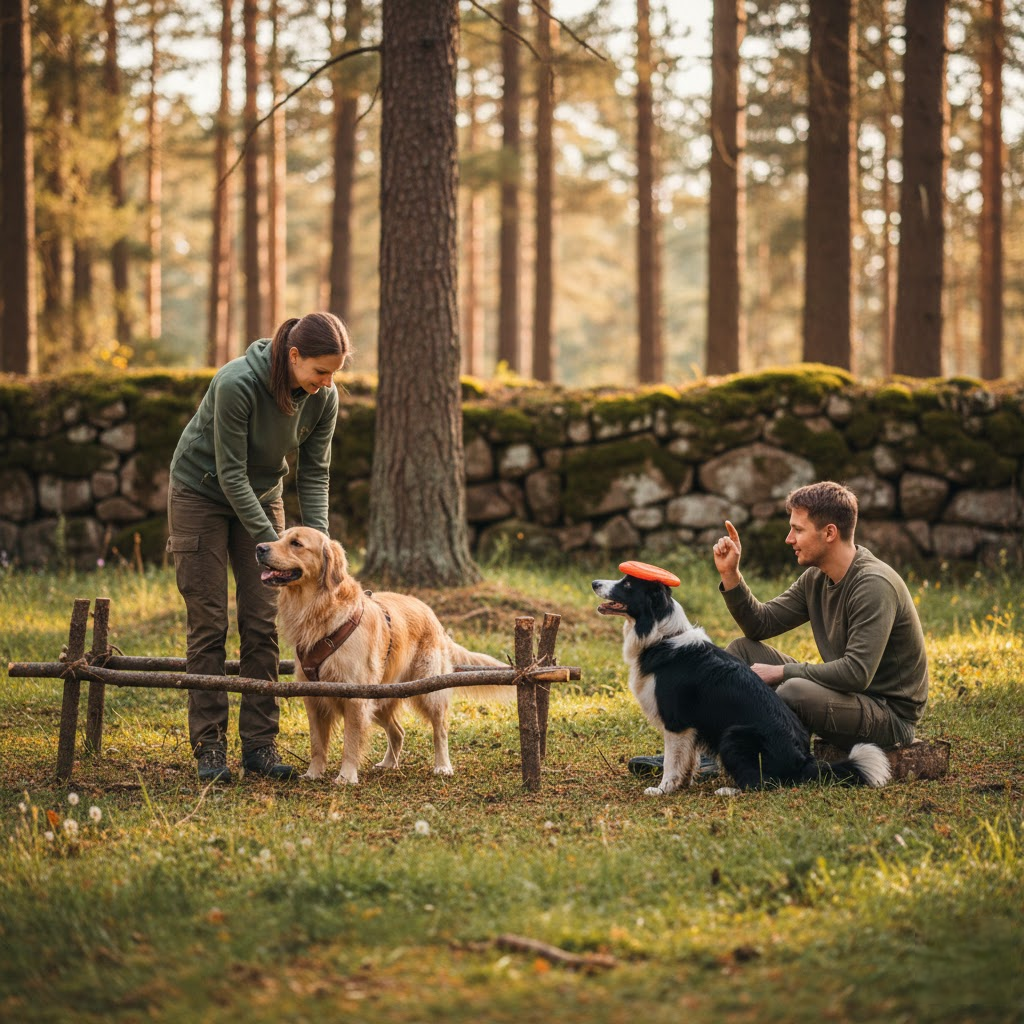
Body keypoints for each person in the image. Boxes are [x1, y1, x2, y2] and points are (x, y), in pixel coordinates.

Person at [166, 312, 351, 783]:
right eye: (320, 371)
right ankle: (210, 747)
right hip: (200, 494)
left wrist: (319, 548)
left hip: (263, 496)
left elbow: (315, 473)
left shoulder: (322, 398)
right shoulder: (236, 384)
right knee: (208, 621)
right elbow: (230, 474)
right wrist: (272, 541)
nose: (327, 383)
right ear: (293, 356)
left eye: (334, 373)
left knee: (262, 620)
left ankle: (260, 748)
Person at [713, 481, 928, 750]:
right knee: (740, 652)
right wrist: (731, 575)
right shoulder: (816, 577)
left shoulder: (874, 584)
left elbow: (856, 673)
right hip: (846, 696)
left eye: (797, 530)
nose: (788, 539)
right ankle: (725, 747)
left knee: (793, 691)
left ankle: (763, 751)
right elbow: (760, 624)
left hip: (889, 717)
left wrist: (782, 672)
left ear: (829, 533)